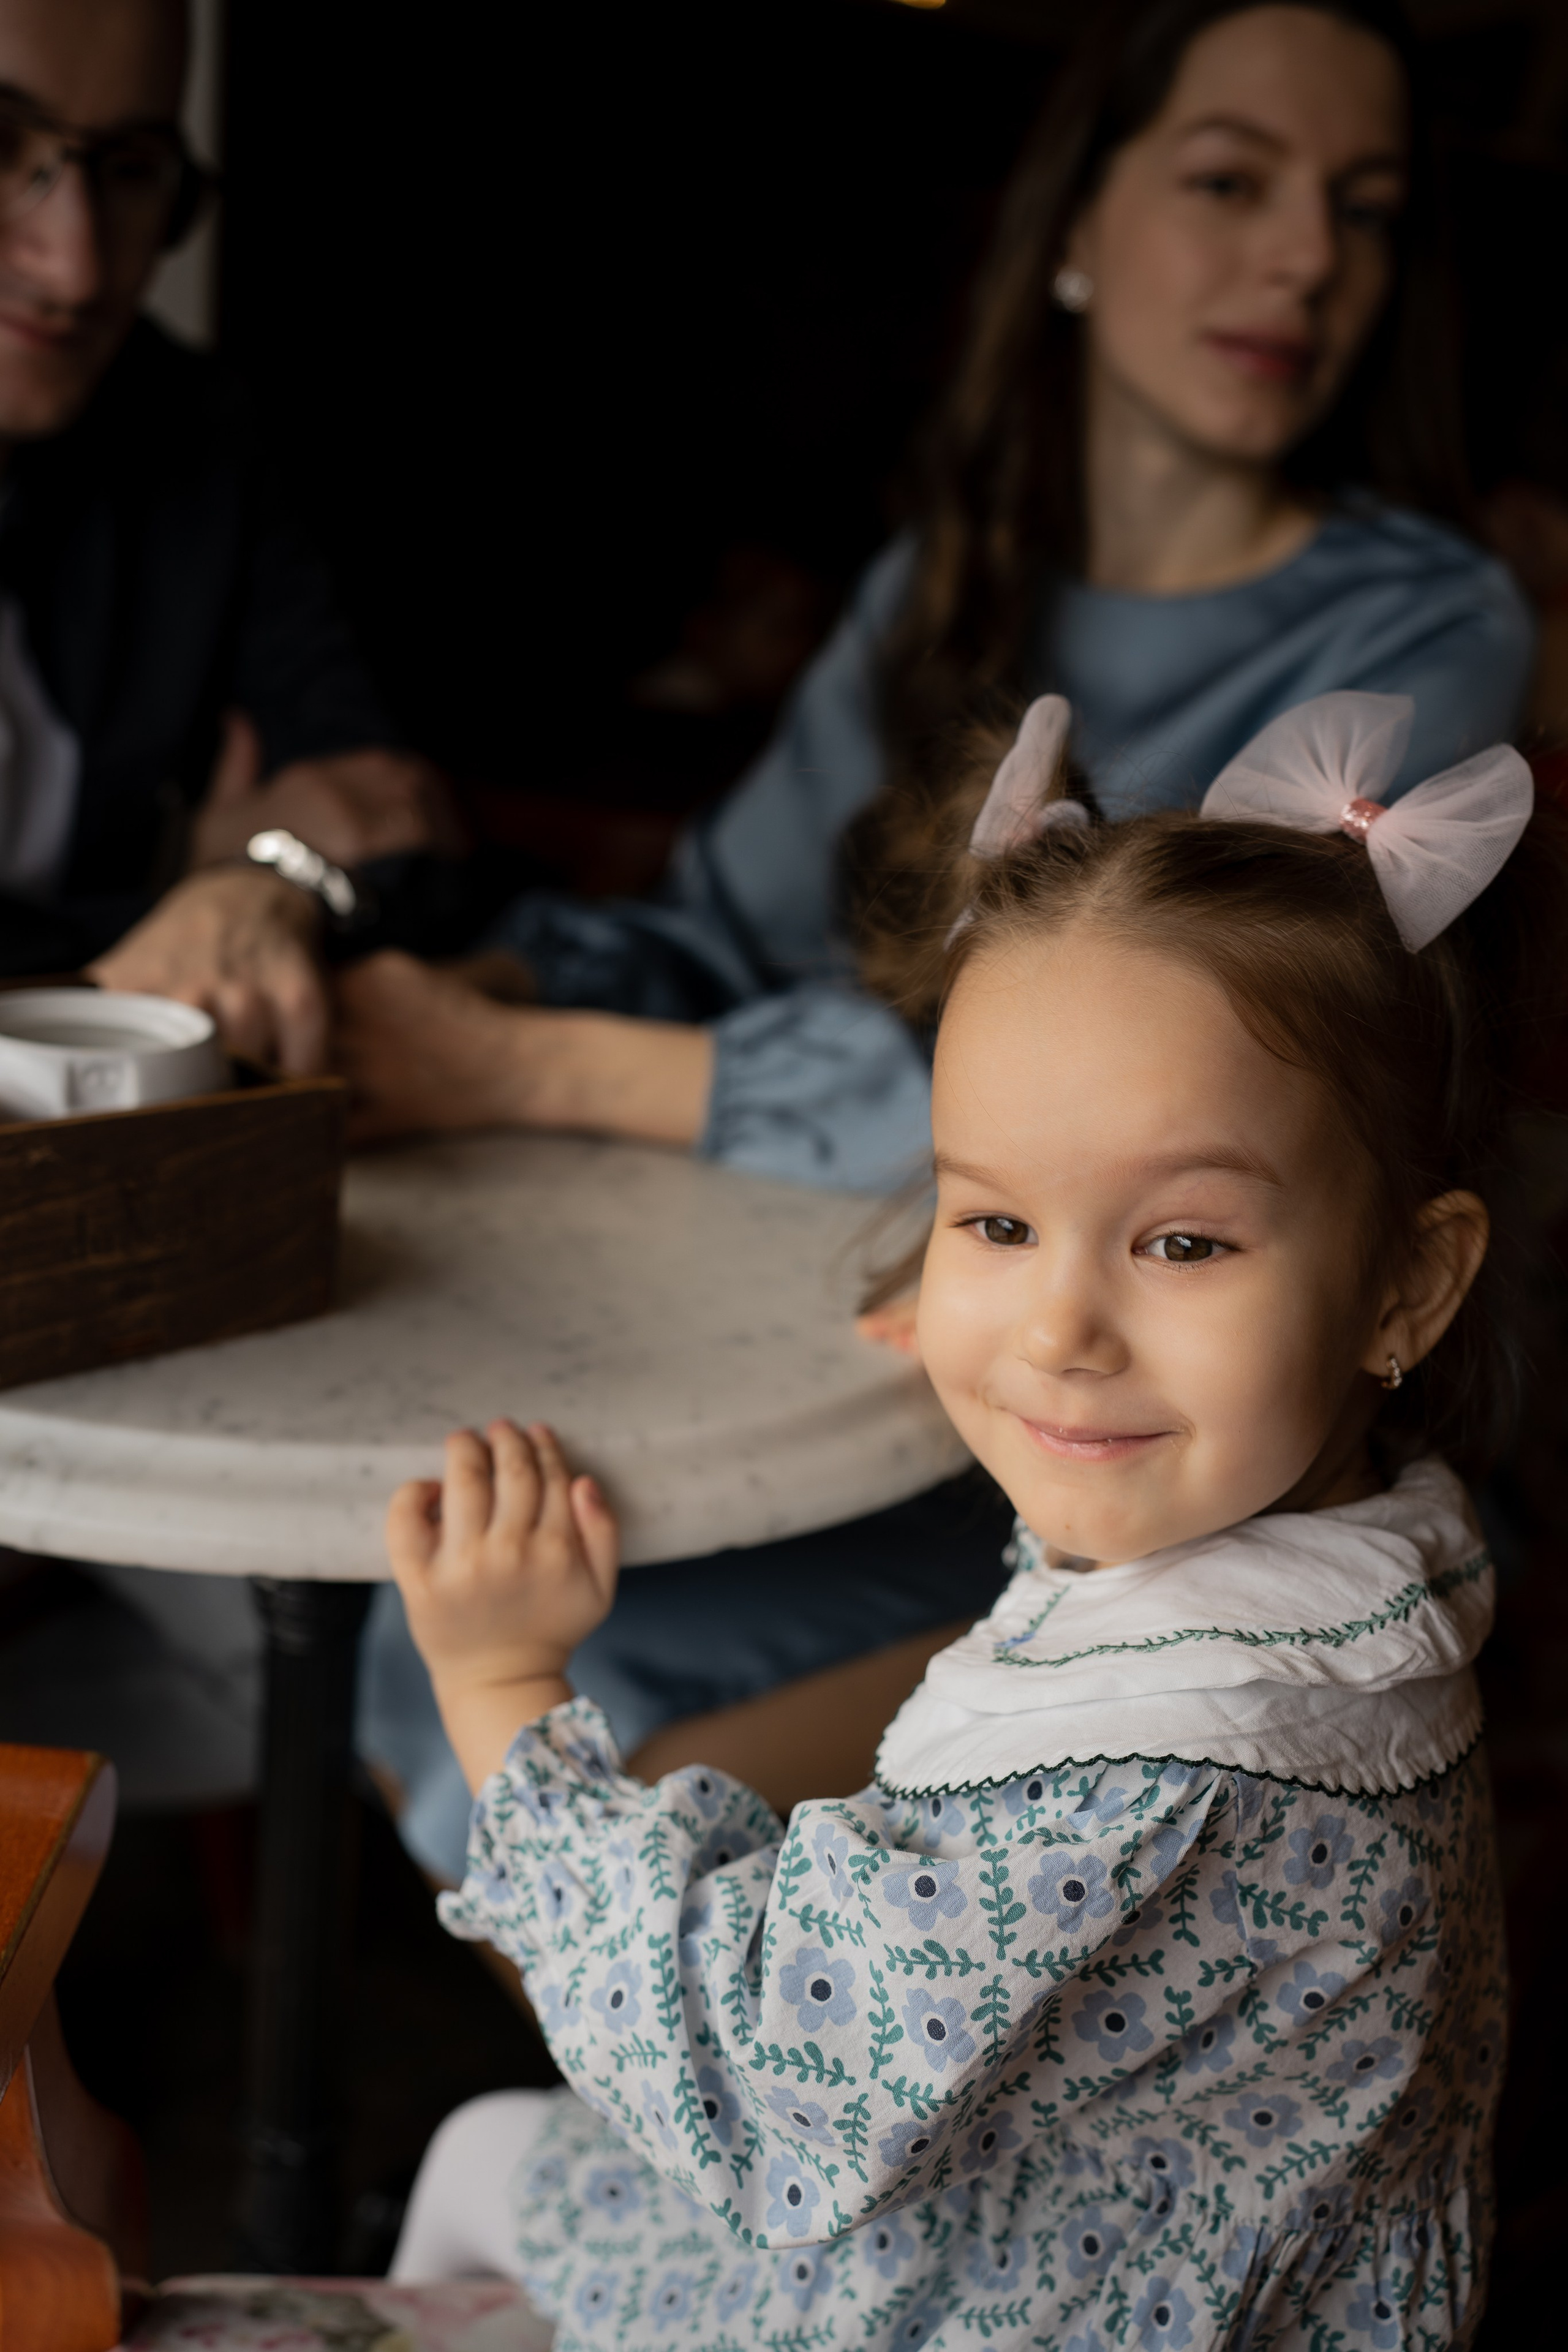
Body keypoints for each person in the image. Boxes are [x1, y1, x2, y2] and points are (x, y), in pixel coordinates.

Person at [353, 0, 1536, 1882]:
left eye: (1365, 210)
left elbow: (1140, 1116)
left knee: (591, 1733)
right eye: (1234, 179)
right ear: (1073, 223)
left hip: (1199, 1467)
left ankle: (801, 2125)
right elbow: (713, 931)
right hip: (928, 1383)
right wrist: (449, 995)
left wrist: (537, 1070)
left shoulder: (1431, 637)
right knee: (455, 1606)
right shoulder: (947, 584)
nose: (1310, 257)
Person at [380, 689, 1543, 2344]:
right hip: (1189, 2275)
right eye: (995, 1220)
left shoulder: (1146, 1770)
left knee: (492, 2154)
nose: (1062, 1330)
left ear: (1408, 1286)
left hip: (980, 2305)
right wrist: (997, 1325)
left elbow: (762, 2091)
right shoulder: (1362, 1580)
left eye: (1184, 1245)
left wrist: (502, 1698)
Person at [0, 0, 452, 1061]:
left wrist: (264, 875)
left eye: (129, 167)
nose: (77, 267)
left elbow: (406, 831)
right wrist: (174, 875)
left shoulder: (188, 432)